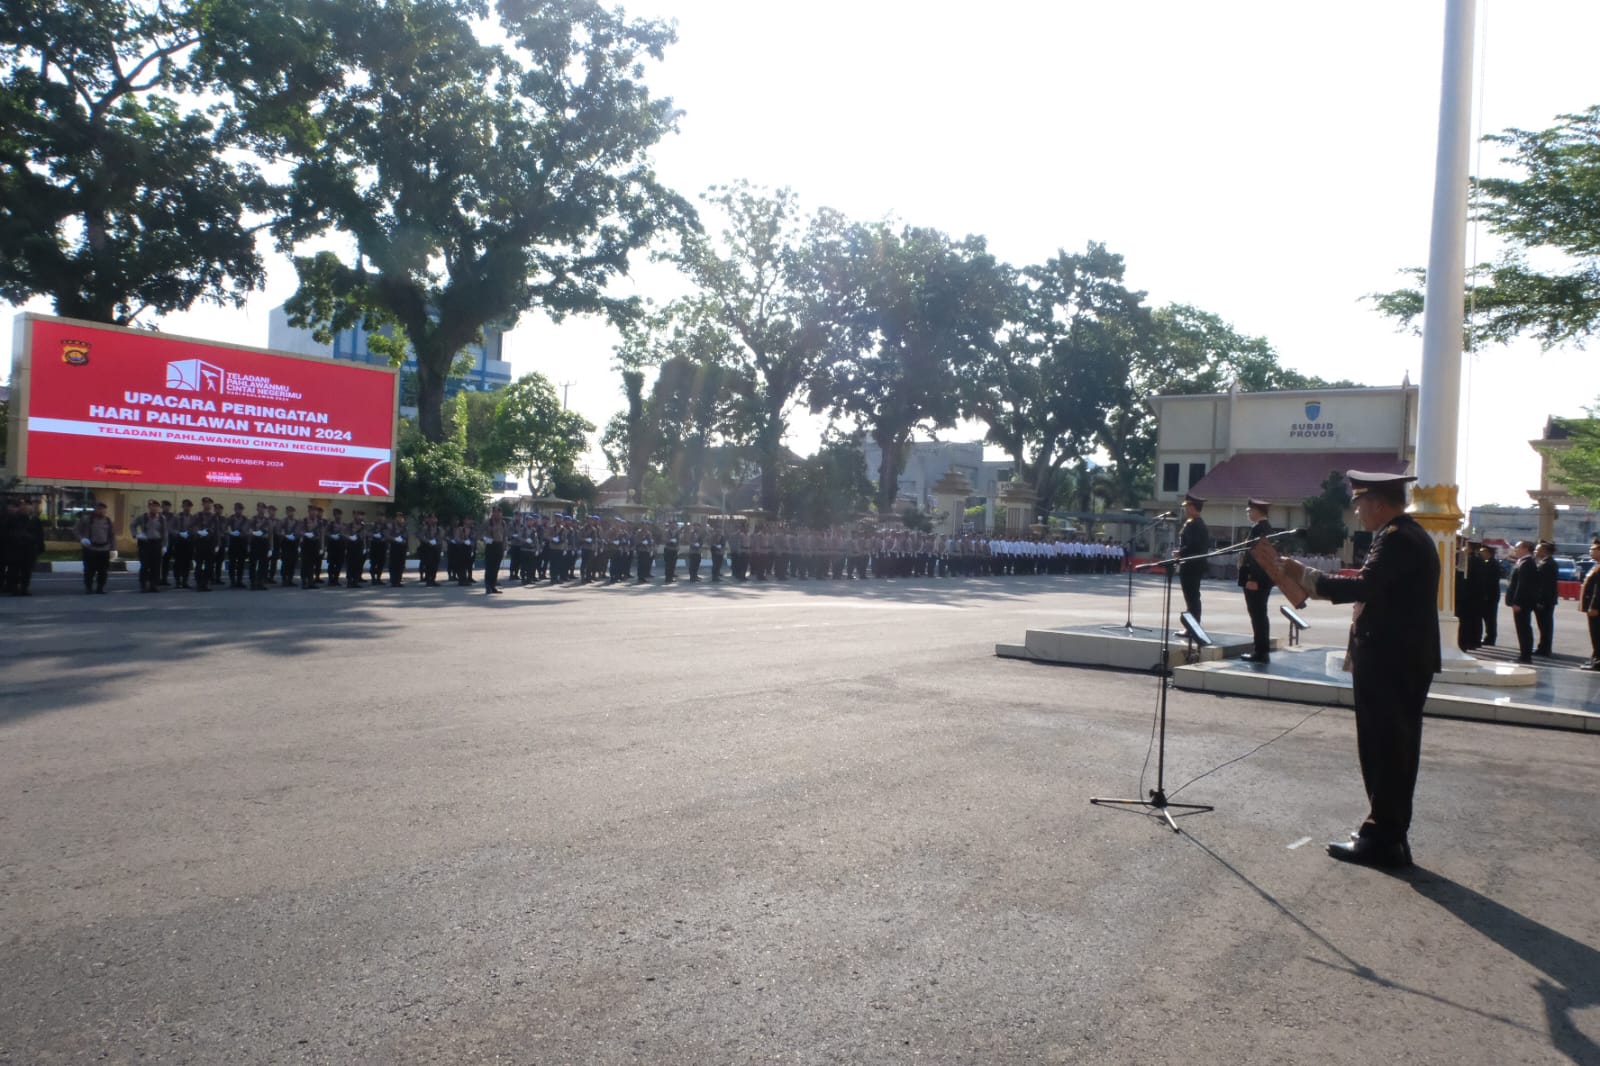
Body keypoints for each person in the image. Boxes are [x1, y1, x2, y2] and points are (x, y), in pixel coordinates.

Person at [1262, 470, 1439, 869]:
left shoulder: (1398, 539)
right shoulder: (1404, 536)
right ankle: (1388, 835)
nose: (1357, 512)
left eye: (1359, 503)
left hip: (1392, 661)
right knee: (1392, 748)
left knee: (1385, 749)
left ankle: (1383, 838)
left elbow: (1361, 587)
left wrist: (1303, 576)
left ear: (1377, 502)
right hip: (1397, 659)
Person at [1236, 497, 1275, 663]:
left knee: (1258, 615)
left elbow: (1258, 558)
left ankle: (1260, 652)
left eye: (1249, 510)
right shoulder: (1265, 528)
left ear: (1257, 511)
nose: (1247, 513)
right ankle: (1261, 650)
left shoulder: (1259, 529)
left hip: (1256, 581)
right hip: (1262, 580)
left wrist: (1252, 578)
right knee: (1260, 615)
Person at [1176, 493, 1210, 626]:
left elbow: (1193, 545)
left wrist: (1180, 552)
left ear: (1193, 507)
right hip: (1191, 565)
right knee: (1191, 597)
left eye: (1187, 507)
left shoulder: (1196, 525)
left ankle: (1193, 627)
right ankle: (1192, 627)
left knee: (1192, 597)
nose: (1184, 509)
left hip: (1192, 565)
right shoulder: (1194, 523)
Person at [1505, 540, 1538, 665]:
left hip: (1522, 603)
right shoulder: (1523, 562)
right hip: (1522, 602)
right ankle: (1524, 653)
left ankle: (1525, 655)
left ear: (1525, 549)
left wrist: (1517, 602)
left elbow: (1523, 585)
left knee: (1523, 628)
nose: (1515, 550)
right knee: (1522, 628)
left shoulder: (1527, 563)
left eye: (1518, 547)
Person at [76, 500, 116, 593]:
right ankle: (88, 587)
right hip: (90, 549)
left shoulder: (108, 521)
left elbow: (111, 535)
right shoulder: (86, 519)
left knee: (103, 571)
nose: (101, 511)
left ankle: (100, 588)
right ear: (95, 509)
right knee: (89, 571)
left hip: (104, 549)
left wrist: (113, 548)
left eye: (103, 509)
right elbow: (76, 530)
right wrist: (81, 539)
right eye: (99, 509)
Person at [130, 498, 168, 593]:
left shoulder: (162, 518)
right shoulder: (143, 517)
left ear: (159, 508)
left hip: (157, 543)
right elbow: (132, 525)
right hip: (145, 543)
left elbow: (165, 533)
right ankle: (143, 585)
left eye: (156, 506)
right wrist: (136, 534)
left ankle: (154, 585)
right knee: (145, 565)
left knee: (156, 566)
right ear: (148, 507)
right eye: (151, 506)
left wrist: (164, 546)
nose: (154, 508)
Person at [1533, 541, 1559, 657]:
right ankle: (1543, 647)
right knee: (1544, 625)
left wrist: (1541, 601)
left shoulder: (1547, 564)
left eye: (1538, 549)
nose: (1536, 552)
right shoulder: (1546, 563)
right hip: (1547, 600)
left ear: (1544, 551)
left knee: (1545, 626)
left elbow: (1545, 586)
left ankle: (1544, 649)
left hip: (1545, 601)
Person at [1580, 537, 1600, 671]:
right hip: (1592, 607)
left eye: (1593, 549)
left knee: (1597, 635)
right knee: (1595, 635)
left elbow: (1598, 590)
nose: (1590, 551)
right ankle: (1595, 658)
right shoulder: (1597, 565)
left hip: (1596, 608)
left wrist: (1594, 606)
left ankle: (1598, 662)